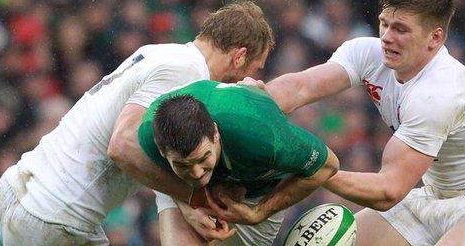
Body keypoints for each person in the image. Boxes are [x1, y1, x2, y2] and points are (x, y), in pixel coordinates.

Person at [239, 0, 465, 246]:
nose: (386, 36)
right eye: (384, 23)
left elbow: (388, 191)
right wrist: (252, 99)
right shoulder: (367, 52)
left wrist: (312, 167)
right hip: (432, 198)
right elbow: (300, 88)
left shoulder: (440, 93)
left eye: (401, 29)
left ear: (435, 38)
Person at [0, 1, 274, 245]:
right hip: (55, 217)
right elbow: (123, 145)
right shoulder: (185, 73)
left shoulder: (161, 52)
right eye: (254, 67)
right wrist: (194, 197)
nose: (249, 78)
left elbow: (152, 149)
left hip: (18, 190)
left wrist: (187, 204)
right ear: (239, 56)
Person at [137, 79, 339, 245]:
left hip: (259, 192)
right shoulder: (149, 136)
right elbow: (127, 156)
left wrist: (258, 213)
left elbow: (327, 165)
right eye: (182, 164)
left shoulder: (263, 139)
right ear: (162, 151)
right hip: (186, 185)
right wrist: (187, 205)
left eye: (203, 158)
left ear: (215, 132)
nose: (197, 173)